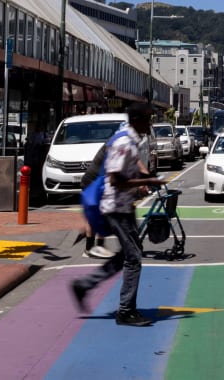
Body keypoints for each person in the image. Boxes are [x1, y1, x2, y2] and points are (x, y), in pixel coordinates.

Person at [70, 104, 164, 327]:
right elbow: (114, 180)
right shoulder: (123, 142)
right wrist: (147, 181)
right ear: (137, 120)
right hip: (115, 208)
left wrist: (141, 182)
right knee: (134, 257)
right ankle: (125, 311)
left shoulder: (131, 140)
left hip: (124, 206)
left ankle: (85, 285)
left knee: (130, 254)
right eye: (148, 119)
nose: (150, 124)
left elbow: (126, 173)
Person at [77, 142, 114, 259]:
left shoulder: (113, 146)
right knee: (100, 216)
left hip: (94, 182)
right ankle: (92, 249)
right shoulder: (113, 148)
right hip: (92, 183)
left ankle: (93, 248)